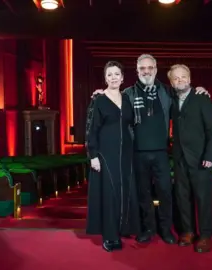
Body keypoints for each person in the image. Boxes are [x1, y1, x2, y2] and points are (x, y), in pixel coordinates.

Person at [91, 54, 210, 245]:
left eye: (150, 68)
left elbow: (185, 93)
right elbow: (111, 97)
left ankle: (166, 230)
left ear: (155, 69)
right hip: (137, 153)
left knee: (165, 193)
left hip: (161, 153)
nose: (146, 71)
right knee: (143, 194)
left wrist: (199, 90)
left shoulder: (167, 91)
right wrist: (100, 93)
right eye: (142, 68)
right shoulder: (127, 93)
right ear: (137, 71)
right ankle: (148, 229)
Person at [85, 61, 141, 252]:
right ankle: (110, 235)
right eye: (110, 75)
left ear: (123, 77)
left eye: (117, 74)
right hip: (105, 153)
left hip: (125, 153)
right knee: (110, 194)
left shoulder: (127, 99)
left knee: (125, 191)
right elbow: (91, 129)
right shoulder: (99, 99)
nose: (114, 78)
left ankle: (124, 227)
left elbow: (131, 124)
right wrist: (93, 155)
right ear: (105, 78)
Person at [169, 64, 212, 252]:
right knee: (182, 197)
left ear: (189, 79)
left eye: (183, 77)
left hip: (201, 159)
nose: (180, 80)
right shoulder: (171, 100)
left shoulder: (201, 98)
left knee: (203, 198)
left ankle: (205, 235)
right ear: (172, 82)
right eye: (176, 78)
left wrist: (210, 155)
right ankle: (188, 231)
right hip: (180, 158)